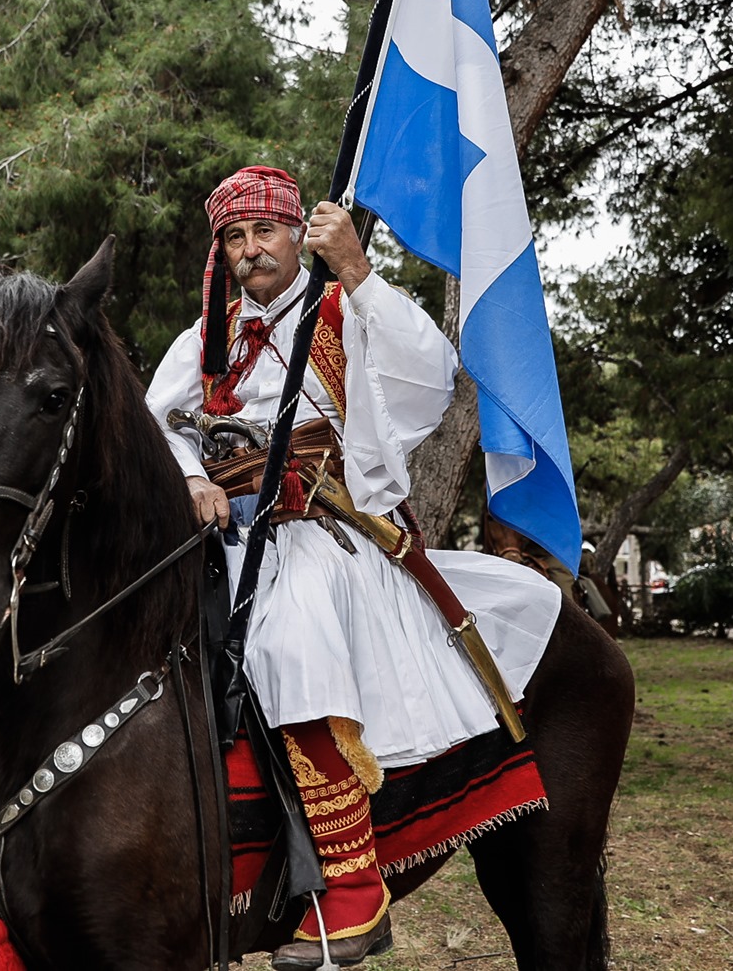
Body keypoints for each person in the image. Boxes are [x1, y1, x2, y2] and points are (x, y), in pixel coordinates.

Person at [145, 166, 561, 970]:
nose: (249, 250)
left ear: (300, 231)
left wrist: (360, 273)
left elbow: (428, 380)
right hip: (216, 533)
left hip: (315, 528)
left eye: (264, 231)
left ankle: (350, 881)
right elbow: (156, 419)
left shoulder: (344, 309)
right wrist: (191, 474)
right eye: (234, 237)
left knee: (288, 642)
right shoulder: (206, 336)